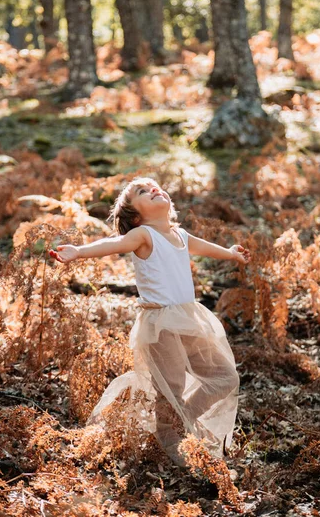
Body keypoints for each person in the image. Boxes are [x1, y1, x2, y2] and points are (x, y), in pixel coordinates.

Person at [50, 177, 251, 466]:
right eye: (142, 192)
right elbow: (114, 243)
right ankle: (170, 438)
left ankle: (182, 420)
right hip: (161, 324)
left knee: (225, 377)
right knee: (171, 388)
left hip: (188, 317)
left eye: (154, 186)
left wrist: (230, 254)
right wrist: (79, 252)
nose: (153, 189)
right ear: (136, 215)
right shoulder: (143, 235)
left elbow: (204, 247)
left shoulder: (180, 235)